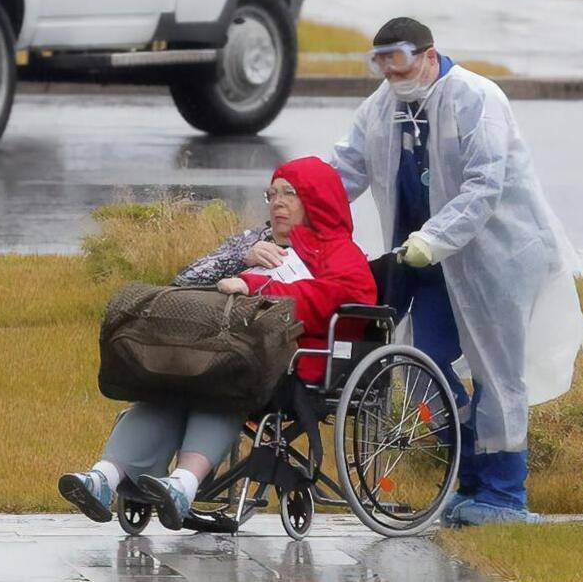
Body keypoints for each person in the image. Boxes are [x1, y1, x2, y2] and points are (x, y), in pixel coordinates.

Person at [331, 17, 583, 527]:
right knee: (427, 369)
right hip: (424, 263)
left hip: (496, 258)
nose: (389, 72)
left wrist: (436, 237)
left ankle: (504, 495)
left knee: (496, 373)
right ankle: (466, 476)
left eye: (398, 59)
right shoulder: (381, 110)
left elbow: (484, 185)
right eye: (379, 61)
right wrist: (297, 207)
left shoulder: (477, 98)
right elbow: (344, 171)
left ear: (429, 54)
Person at [59, 156, 377, 531]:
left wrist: (259, 285)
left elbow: (345, 294)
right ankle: (104, 477)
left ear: (317, 200)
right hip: (231, 349)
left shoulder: (340, 253)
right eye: (271, 193)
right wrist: (241, 261)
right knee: (171, 380)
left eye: (289, 194)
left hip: (293, 363)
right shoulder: (257, 242)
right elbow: (187, 281)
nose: (277, 202)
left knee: (221, 381)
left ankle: (182, 484)